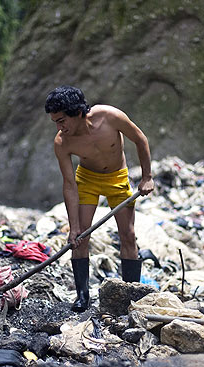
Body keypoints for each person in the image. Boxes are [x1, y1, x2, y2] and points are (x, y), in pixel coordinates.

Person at [44, 85, 154, 312]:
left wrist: (147, 177)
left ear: (76, 112)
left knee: (128, 235)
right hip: (87, 180)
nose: (59, 127)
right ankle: (82, 297)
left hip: (117, 177)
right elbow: (69, 184)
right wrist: (73, 226)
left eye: (62, 120)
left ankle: (130, 293)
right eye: (55, 122)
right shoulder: (62, 142)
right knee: (81, 237)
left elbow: (140, 139)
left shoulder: (110, 117)